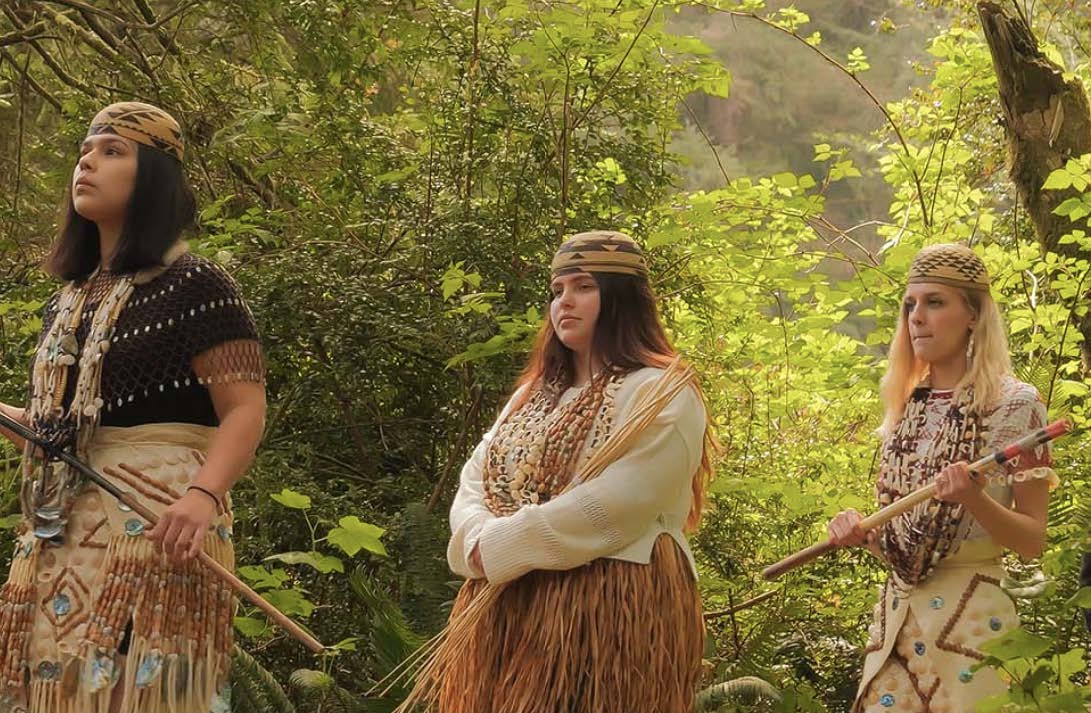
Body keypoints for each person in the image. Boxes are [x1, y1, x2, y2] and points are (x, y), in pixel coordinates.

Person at [0, 102, 266, 713]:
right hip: (60, 532)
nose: (87, 163)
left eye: (112, 151)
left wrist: (203, 495)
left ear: (154, 177)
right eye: (84, 151)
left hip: (156, 525)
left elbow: (245, 409)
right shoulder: (67, 299)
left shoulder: (197, 284)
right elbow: (55, 437)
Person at [438, 231, 717, 713]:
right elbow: (476, 476)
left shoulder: (661, 391)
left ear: (623, 298)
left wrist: (501, 547)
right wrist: (475, 540)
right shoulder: (532, 396)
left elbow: (622, 502)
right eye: (557, 290)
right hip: (508, 605)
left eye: (584, 286)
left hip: (610, 605)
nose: (564, 301)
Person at [827, 243, 1057, 713]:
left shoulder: (1016, 405)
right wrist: (863, 534)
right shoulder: (905, 404)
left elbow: (1033, 541)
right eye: (910, 305)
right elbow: (907, 542)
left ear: (973, 314)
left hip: (972, 628)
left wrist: (975, 499)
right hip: (896, 629)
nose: (917, 317)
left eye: (935, 302)